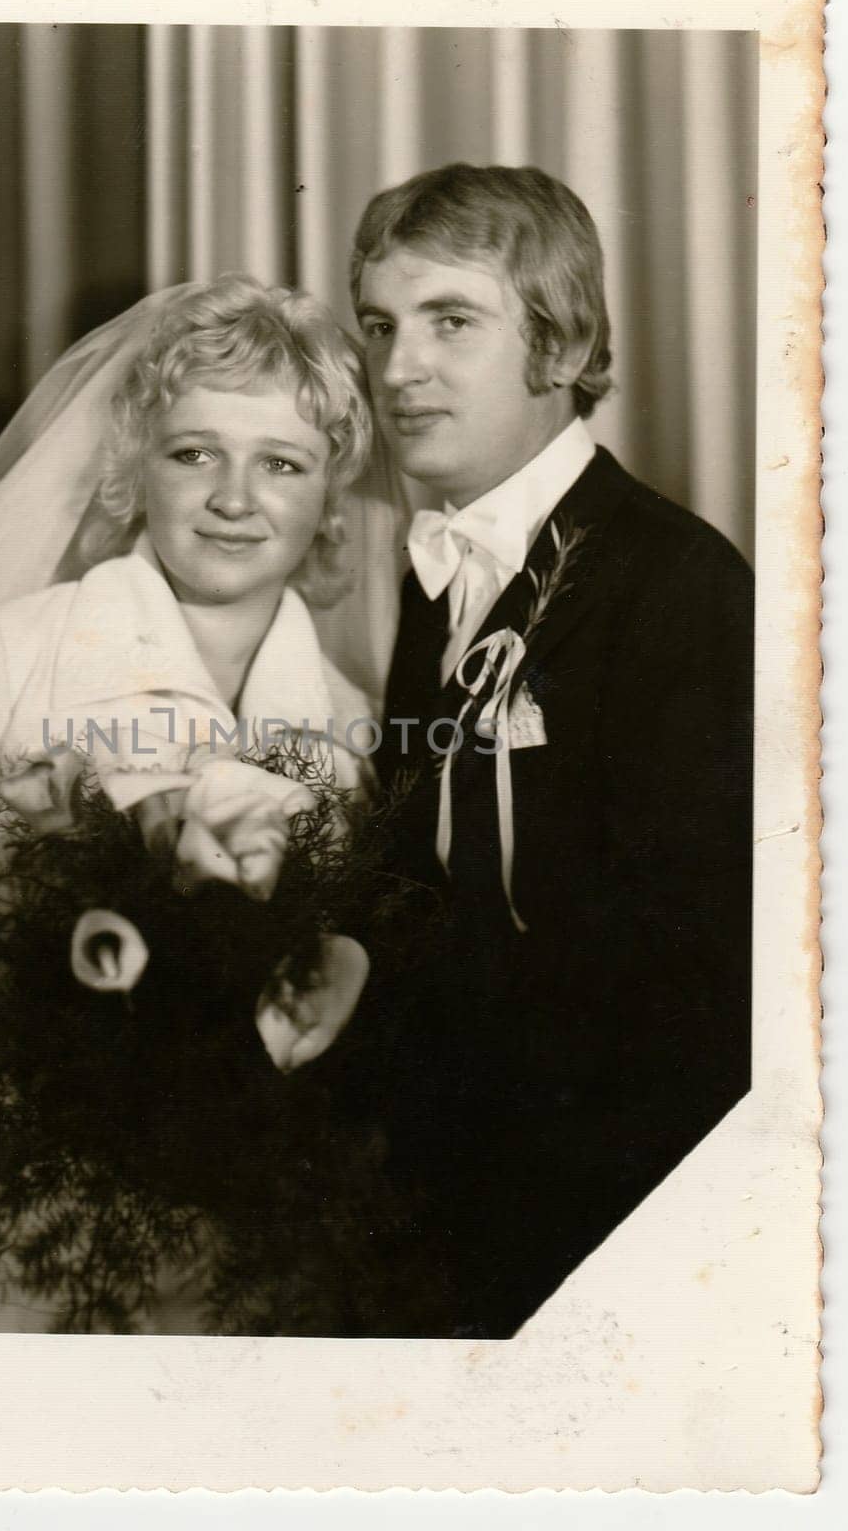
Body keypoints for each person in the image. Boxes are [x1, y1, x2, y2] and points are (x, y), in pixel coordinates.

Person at [0, 274, 378, 1331]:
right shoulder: (0, 659)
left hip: (231, 1267)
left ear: (332, 498)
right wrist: (41, 1093)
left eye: (281, 463)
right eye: (193, 451)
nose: (233, 498)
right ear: (133, 468)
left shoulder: (356, 733)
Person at [350, 163, 753, 1337]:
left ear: (562, 346)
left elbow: (707, 993)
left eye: (450, 323)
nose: (397, 368)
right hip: (454, 1208)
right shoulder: (436, 573)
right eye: (379, 325)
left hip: (604, 1228)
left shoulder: (682, 588)